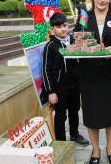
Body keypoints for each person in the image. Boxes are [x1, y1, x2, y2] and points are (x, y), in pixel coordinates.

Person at [74, 0, 111, 164]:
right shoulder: (84, 17)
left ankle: (110, 148)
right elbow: (76, 42)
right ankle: (95, 151)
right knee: (91, 114)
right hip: (89, 75)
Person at [42, 12, 89, 146]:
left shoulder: (75, 41)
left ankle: (74, 134)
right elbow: (46, 70)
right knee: (61, 116)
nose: (62, 29)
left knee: (74, 111)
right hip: (59, 87)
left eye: (64, 25)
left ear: (67, 25)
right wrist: (50, 91)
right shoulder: (50, 46)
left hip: (75, 84)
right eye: (58, 27)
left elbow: (84, 57)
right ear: (52, 29)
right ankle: (61, 141)